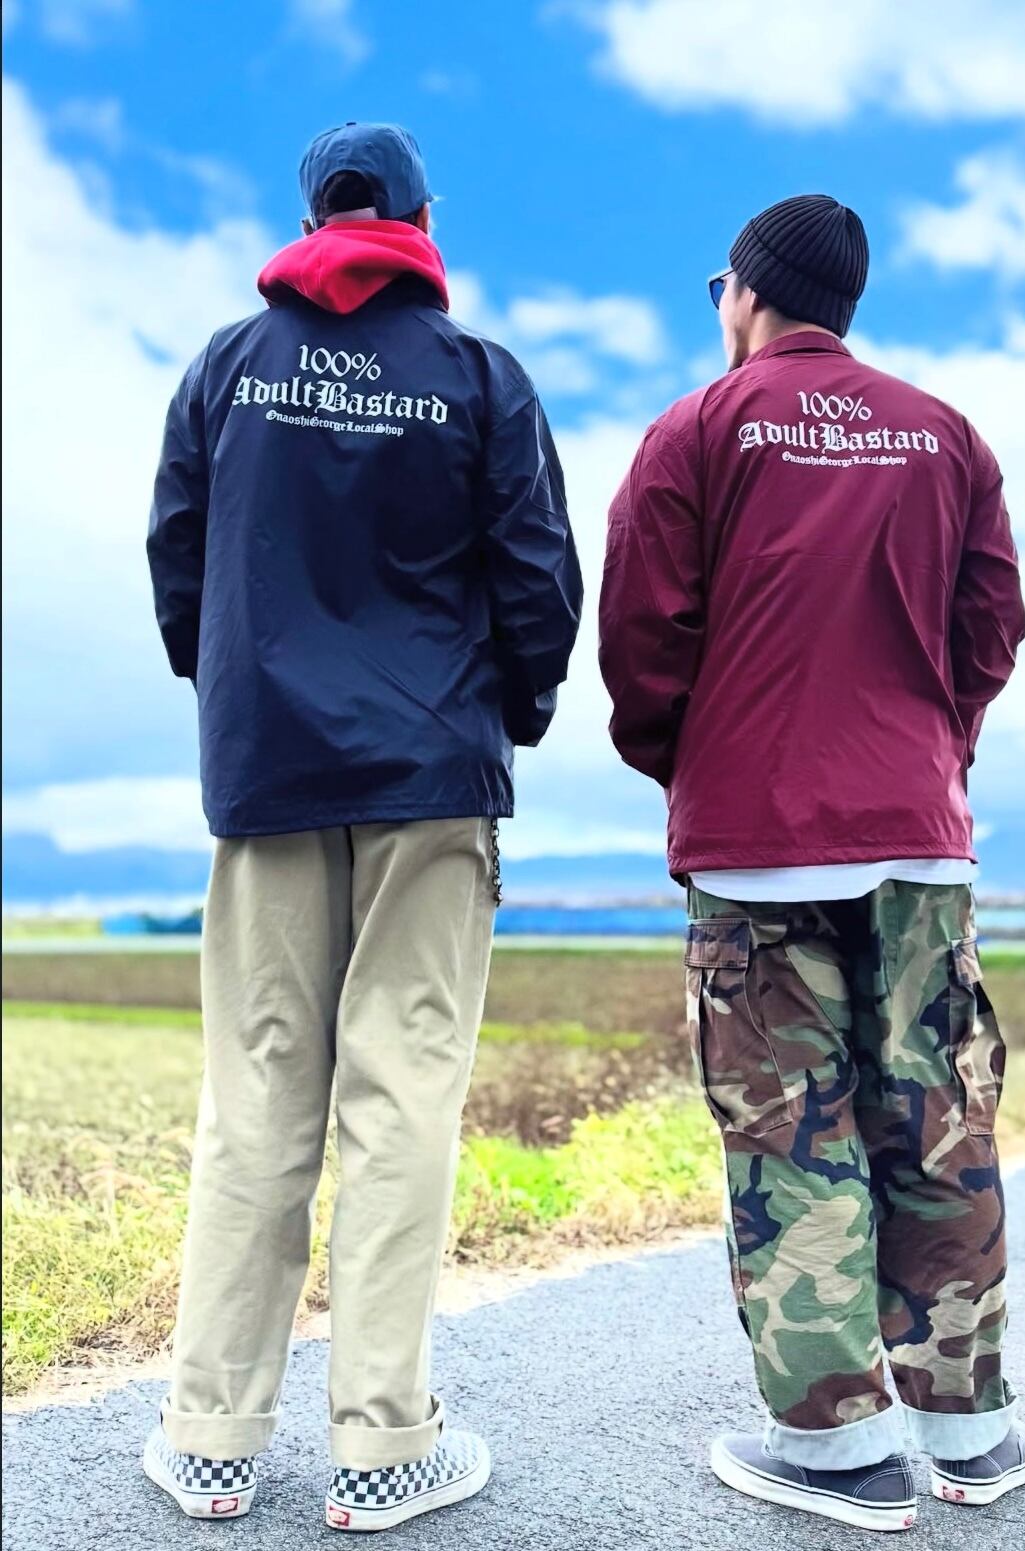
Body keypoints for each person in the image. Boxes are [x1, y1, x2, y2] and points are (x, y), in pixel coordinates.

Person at [143, 121, 582, 1532]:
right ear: (421, 221)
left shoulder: (227, 368)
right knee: (401, 1102)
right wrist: (508, 714)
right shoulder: (479, 378)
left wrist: (240, 697)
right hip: (431, 779)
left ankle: (210, 1439)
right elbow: (537, 577)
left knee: (258, 1094)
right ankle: (384, 1446)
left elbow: (176, 557)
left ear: (309, 220)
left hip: (269, 775)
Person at [599, 195, 1025, 1534]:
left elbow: (640, 640)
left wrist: (695, 763)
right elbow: (992, 624)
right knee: (938, 1119)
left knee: (792, 1139)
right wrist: (931, 750)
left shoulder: (696, 430)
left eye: (719, 288)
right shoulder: (946, 434)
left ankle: (836, 1448)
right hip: (917, 841)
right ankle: (970, 1431)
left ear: (747, 294)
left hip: (758, 845)